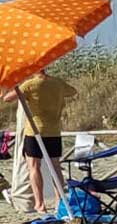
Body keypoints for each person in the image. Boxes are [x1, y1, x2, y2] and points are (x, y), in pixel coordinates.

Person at [2, 70, 76, 214]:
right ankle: (59, 201)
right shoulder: (57, 83)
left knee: (34, 167)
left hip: (35, 131)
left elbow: (7, 98)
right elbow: (72, 91)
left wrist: (15, 85)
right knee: (56, 167)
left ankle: (39, 204)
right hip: (54, 131)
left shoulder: (30, 84)